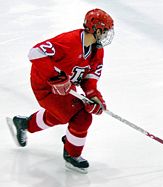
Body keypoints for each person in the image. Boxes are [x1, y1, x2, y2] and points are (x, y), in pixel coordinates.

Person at [7, 8, 114, 173]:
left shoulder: (97, 50)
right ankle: (72, 155)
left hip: (65, 87)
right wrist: (54, 76)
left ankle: (24, 123)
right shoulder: (69, 41)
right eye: (105, 31)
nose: (107, 35)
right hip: (45, 86)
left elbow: (89, 79)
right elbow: (35, 52)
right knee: (81, 116)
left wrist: (94, 98)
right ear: (96, 29)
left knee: (61, 115)